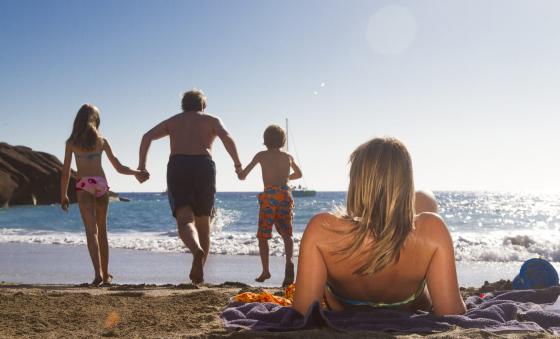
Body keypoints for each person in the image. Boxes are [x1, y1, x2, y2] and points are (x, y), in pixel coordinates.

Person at [292, 137, 466, 316]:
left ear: (357, 182)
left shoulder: (322, 229)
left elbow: (303, 312)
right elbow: (451, 311)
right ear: (406, 183)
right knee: (427, 200)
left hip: (345, 307)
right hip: (412, 304)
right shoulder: (433, 228)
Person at [138, 89, 242, 285]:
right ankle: (199, 273)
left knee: (185, 219)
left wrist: (142, 166)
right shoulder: (211, 120)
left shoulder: (174, 121)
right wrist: (238, 165)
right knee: (204, 223)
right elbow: (227, 138)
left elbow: (147, 136)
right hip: (204, 165)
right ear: (203, 105)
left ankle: (196, 251)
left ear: (183, 105)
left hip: (179, 166)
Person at [60, 103, 148, 286]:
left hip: (83, 185)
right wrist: (136, 172)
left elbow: (66, 172)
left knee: (91, 232)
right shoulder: (101, 141)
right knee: (102, 232)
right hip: (100, 184)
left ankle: (98, 274)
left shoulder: (72, 143)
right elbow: (118, 167)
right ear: (96, 121)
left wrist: (63, 195)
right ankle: (106, 274)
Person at [238, 125, 302, 286]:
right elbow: (299, 174)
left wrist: (238, 170)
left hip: (269, 196)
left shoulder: (261, 155)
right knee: (287, 233)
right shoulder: (288, 156)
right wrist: (286, 178)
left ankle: (266, 270)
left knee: (263, 235)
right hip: (285, 194)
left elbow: (243, 176)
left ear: (265, 140)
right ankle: (289, 262)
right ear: (283, 140)